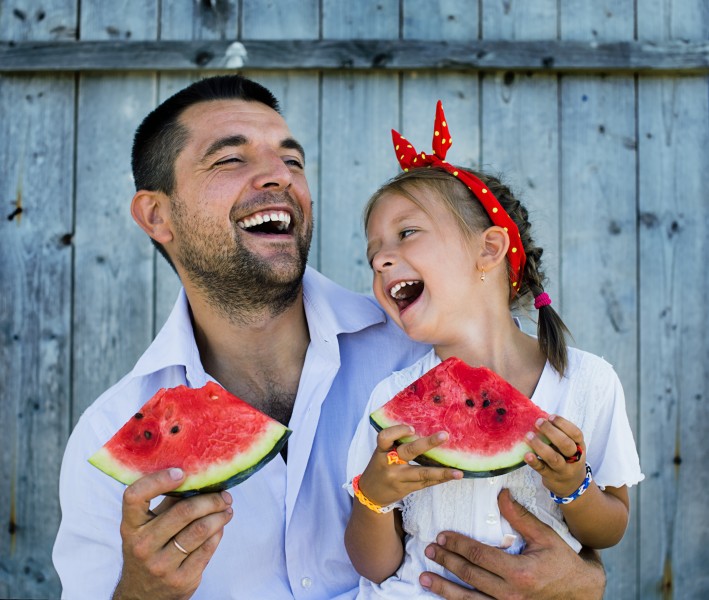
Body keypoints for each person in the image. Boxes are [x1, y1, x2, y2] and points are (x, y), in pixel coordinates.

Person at [52, 76, 608, 600]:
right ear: (157, 214)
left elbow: (564, 522)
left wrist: (585, 583)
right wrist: (140, 592)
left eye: (291, 159)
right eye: (231, 158)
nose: (280, 176)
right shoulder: (107, 436)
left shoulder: (425, 352)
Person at [344, 102, 643, 598]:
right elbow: (374, 565)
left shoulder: (589, 383)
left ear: (489, 249)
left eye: (406, 233)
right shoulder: (393, 397)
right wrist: (372, 498)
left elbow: (608, 529)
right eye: (372, 251)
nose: (381, 258)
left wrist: (574, 485)